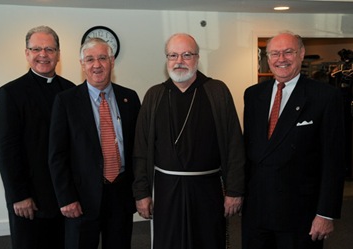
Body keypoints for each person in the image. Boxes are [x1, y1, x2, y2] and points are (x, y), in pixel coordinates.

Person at [132, 33, 245, 249]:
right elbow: (141, 149)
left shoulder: (217, 91)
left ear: (197, 58)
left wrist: (235, 190)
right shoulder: (154, 95)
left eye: (186, 55)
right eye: (173, 55)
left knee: (208, 241)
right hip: (165, 190)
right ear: (166, 60)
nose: (179, 61)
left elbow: (234, 145)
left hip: (208, 188)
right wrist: (142, 193)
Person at [242, 31, 346, 249]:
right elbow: (249, 151)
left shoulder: (326, 97)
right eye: (275, 53)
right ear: (267, 58)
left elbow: (333, 161)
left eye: (288, 52)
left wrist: (325, 213)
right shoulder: (253, 95)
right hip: (257, 212)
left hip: (300, 215)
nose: (281, 59)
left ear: (301, 54)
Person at [48, 37, 141, 249]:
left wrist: (140, 191)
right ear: (82, 64)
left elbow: (139, 149)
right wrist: (66, 198)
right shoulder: (66, 101)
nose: (96, 64)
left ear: (112, 62)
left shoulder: (130, 98)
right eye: (89, 59)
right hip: (81, 198)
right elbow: (57, 155)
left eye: (102, 58)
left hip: (120, 194)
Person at [0, 25, 75, 249]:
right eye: (36, 48)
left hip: (64, 195)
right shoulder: (10, 93)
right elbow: (5, 148)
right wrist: (18, 194)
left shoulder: (71, 91)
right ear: (27, 53)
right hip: (30, 198)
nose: (43, 55)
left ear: (58, 54)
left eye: (50, 49)